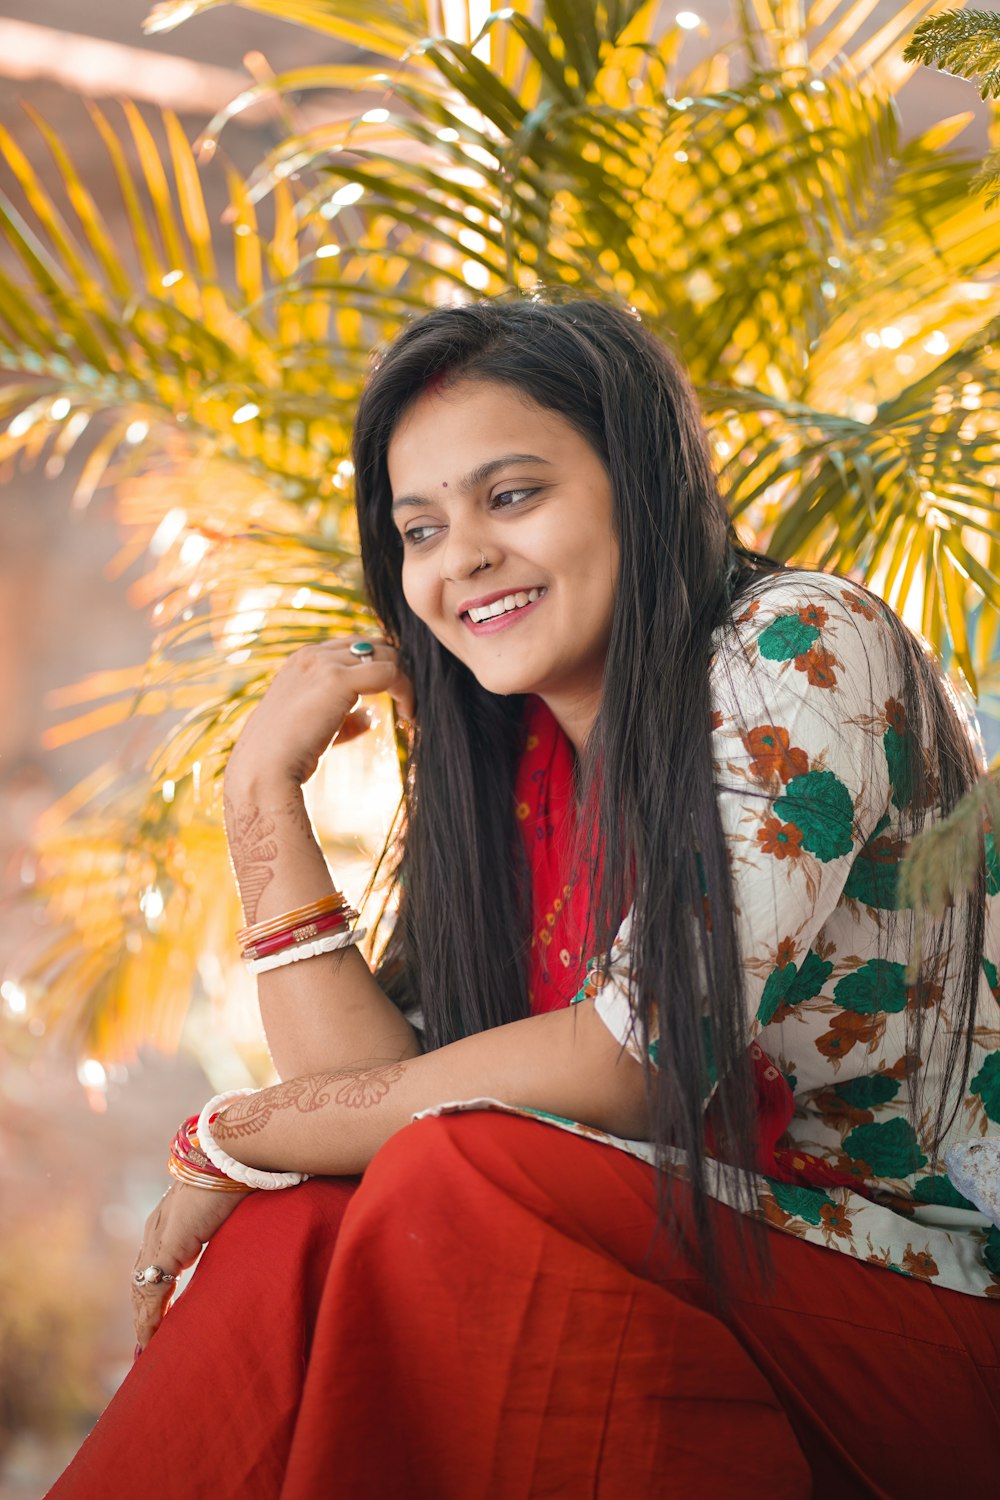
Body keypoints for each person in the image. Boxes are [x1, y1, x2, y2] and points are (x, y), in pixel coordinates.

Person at [49, 296, 1000, 1499]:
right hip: (706, 1272)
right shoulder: (513, 766)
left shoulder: (794, 645)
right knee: (306, 1221)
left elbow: (625, 1060)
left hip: (935, 1300)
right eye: (421, 528)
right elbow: (354, 1118)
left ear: (638, 487)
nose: (463, 558)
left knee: (456, 1169)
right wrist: (262, 802)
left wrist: (234, 1132)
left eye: (511, 497)